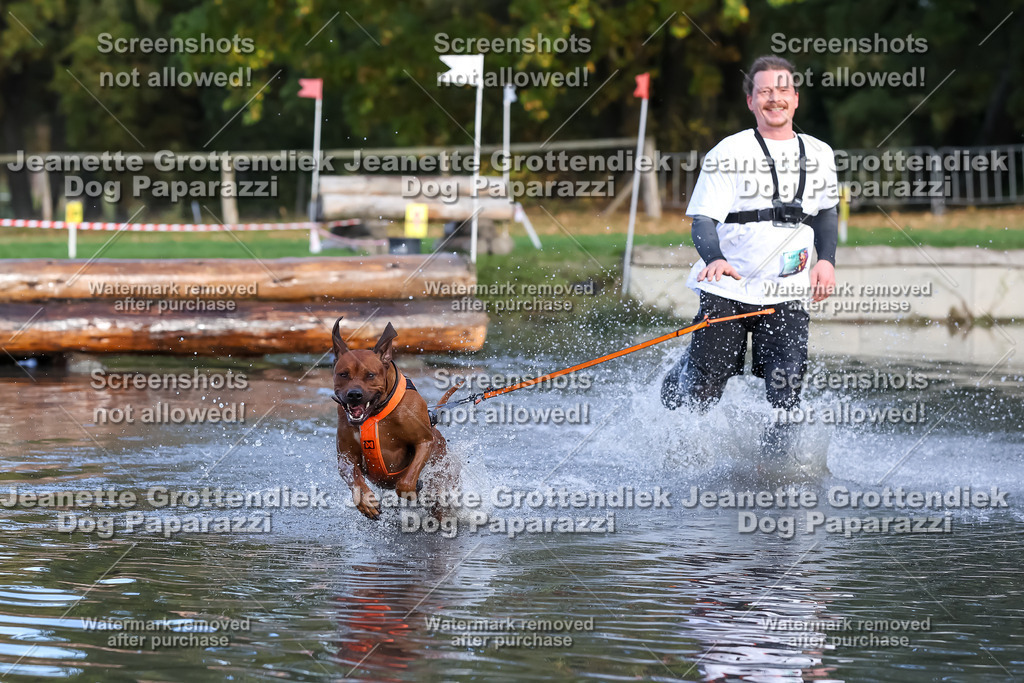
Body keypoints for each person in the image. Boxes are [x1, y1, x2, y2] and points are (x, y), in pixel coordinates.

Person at [661, 55, 839, 457]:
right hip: (729, 287)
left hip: (786, 291)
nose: (773, 99)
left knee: (786, 387)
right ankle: (678, 405)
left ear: (795, 99)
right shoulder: (729, 151)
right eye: (764, 92)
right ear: (751, 101)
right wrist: (714, 259)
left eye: (781, 91)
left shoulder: (821, 153)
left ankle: (774, 468)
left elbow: (827, 213)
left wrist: (825, 260)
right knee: (706, 385)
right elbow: (702, 220)